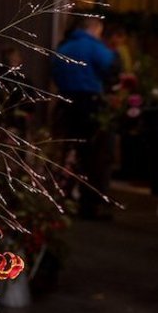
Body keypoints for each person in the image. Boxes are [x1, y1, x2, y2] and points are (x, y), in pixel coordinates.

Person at [50, 15, 117, 219]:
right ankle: (90, 203)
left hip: (66, 102)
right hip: (91, 103)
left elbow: (55, 72)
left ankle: (64, 197)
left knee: (69, 151)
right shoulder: (94, 47)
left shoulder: (64, 48)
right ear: (94, 28)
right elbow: (111, 66)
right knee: (94, 154)